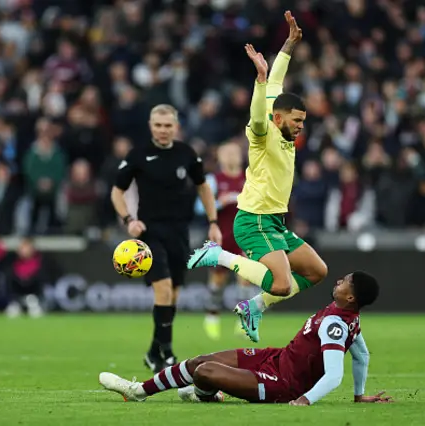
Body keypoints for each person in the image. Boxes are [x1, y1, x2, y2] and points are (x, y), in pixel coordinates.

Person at [187, 11, 328, 342]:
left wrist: (289, 45)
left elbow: (277, 78)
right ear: (279, 117)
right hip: (254, 220)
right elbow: (259, 115)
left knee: (316, 271)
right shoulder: (263, 131)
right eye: (296, 121)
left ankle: (253, 307)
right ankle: (217, 255)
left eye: (304, 121)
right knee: (280, 283)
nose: (300, 126)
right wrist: (260, 81)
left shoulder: (278, 112)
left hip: (274, 222)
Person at [99, 271, 391, 406]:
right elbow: (362, 355)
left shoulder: (336, 325)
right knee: (203, 360)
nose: (338, 281)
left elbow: (333, 375)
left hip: (283, 384)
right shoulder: (348, 318)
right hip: (276, 358)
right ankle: (140, 391)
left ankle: (203, 391)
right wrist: (358, 395)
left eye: (345, 282)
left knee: (204, 371)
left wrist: (305, 400)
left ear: (350, 296)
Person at [111, 104, 222, 374]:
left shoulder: (187, 154)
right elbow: (117, 191)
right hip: (150, 233)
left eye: (168, 125)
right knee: (163, 289)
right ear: (151, 125)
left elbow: (204, 187)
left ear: (176, 127)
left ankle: (152, 351)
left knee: (172, 295)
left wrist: (213, 222)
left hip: (179, 232)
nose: (162, 130)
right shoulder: (138, 155)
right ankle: (169, 354)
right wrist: (129, 220)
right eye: (158, 125)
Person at [195, 141, 255, 340]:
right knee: (218, 281)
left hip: (244, 236)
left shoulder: (250, 178)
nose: (230, 156)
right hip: (221, 236)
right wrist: (220, 202)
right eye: (226, 153)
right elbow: (198, 207)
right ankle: (212, 316)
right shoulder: (213, 180)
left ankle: (243, 320)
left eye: (234, 153)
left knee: (244, 278)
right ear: (219, 157)